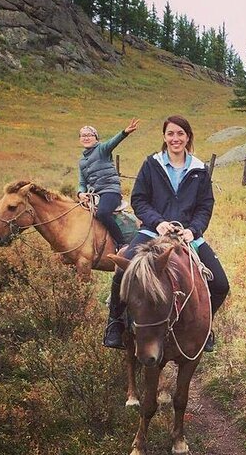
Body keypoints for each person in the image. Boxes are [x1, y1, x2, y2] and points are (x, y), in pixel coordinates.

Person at [103, 115, 230, 352]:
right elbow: (139, 199)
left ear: (188, 137)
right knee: (124, 268)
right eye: (171, 134)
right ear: (164, 137)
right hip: (153, 232)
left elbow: (205, 206)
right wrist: (157, 222)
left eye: (180, 133)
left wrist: (193, 230)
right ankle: (115, 324)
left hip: (187, 236)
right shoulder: (152, 164)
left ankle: (204, 325)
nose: (175, 138)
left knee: (221, 283)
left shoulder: (199, 169)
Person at [77, 118, 140, 250]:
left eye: (89, 135)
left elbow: (113, 142)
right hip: (94, 195)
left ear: (96, 138)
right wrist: (81, 193)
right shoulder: (82, 161)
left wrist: (125, 132)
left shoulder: (102, 149)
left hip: (110, 191)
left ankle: (122, 244)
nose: (86, 138)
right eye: (83, 135)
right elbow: (82, 182)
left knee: (103, 213)